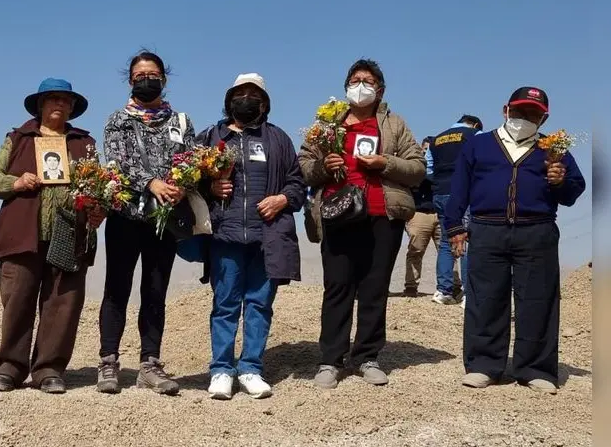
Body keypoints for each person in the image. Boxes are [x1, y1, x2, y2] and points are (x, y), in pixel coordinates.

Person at [445, 87, 585, 395]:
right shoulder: (478, 145)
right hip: (487, 230)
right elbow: (460, 188)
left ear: (544, 117)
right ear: (506, 110)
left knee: (538, 301)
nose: (525, 118)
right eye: (520, 111)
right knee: (485, 299)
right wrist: (455, 226)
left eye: (533, 114)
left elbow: (574, 190)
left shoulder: (553, 149)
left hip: (537, 232)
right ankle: (483, 365)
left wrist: (560, 181)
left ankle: (535, 368)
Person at [298, 59, 425, 389]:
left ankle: (367, 356)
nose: (361, 86)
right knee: (338, 286)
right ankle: (330, 359)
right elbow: (305, 167)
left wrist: (386, 162)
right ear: (345, 87)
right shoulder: (326, 125)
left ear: (380, 89)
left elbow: (417, 168)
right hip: (337, 213)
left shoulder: (394, 124)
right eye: (355, 80)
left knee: (374, 287)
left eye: (368, 81)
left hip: (382, 215)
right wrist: (325, 166)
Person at [0, 78, 104, 394]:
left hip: (71, 232)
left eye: (66, 100)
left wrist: (97, 206)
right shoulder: (18, 138)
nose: (59, 105)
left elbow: (99, 185)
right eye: (52, 99)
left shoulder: (85, 143)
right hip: (22, 232)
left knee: (62, 302)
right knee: (18, 300)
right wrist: (16, 182)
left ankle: (49, 368)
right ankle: (10, 366)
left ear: (73, 107)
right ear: (40, 104)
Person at [197, 73, 305, 400]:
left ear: (264, 102)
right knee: (225, 303)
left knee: (259, 304)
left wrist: (283, 199)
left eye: (253, 94)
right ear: (229, 100)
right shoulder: (212, 136)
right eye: (239, 93)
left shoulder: (278, 139)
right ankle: (221, 369)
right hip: (225, 236)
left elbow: (297, 183)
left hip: (267, 237)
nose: (246, 99)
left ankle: (251, 368)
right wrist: (210, 186)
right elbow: (188, 181)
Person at [97, 50, 195, 395]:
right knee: (117, 289)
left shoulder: (180, 122)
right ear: (130, 81)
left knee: (155, 291)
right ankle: (108, 361)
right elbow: (117, 163)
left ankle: (150, 364)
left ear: (163, 79)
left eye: (152, 74)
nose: (146, 80)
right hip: (126, 216)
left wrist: (182, 184)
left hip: (163, 220)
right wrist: (151, 182)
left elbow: (191, 160)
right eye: (139, 76)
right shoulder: (117, 120)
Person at [428, 115, 483, 305]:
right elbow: (483, 162)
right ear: (475, 124)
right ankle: (469, 293)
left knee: (446, 241)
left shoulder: (436, 139)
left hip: (440, 193)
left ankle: (443, 291)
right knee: (466, 240)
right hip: (463, 194)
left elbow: (428, 169)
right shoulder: (475, 134)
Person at [402, 136, 451, 297]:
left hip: (441, 212)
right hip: (420, 212)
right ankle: (411, 286)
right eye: (425, 150)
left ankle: (449, 286)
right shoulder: (416, 168)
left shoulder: (442, 169)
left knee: (448, 250)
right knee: (415, 250)